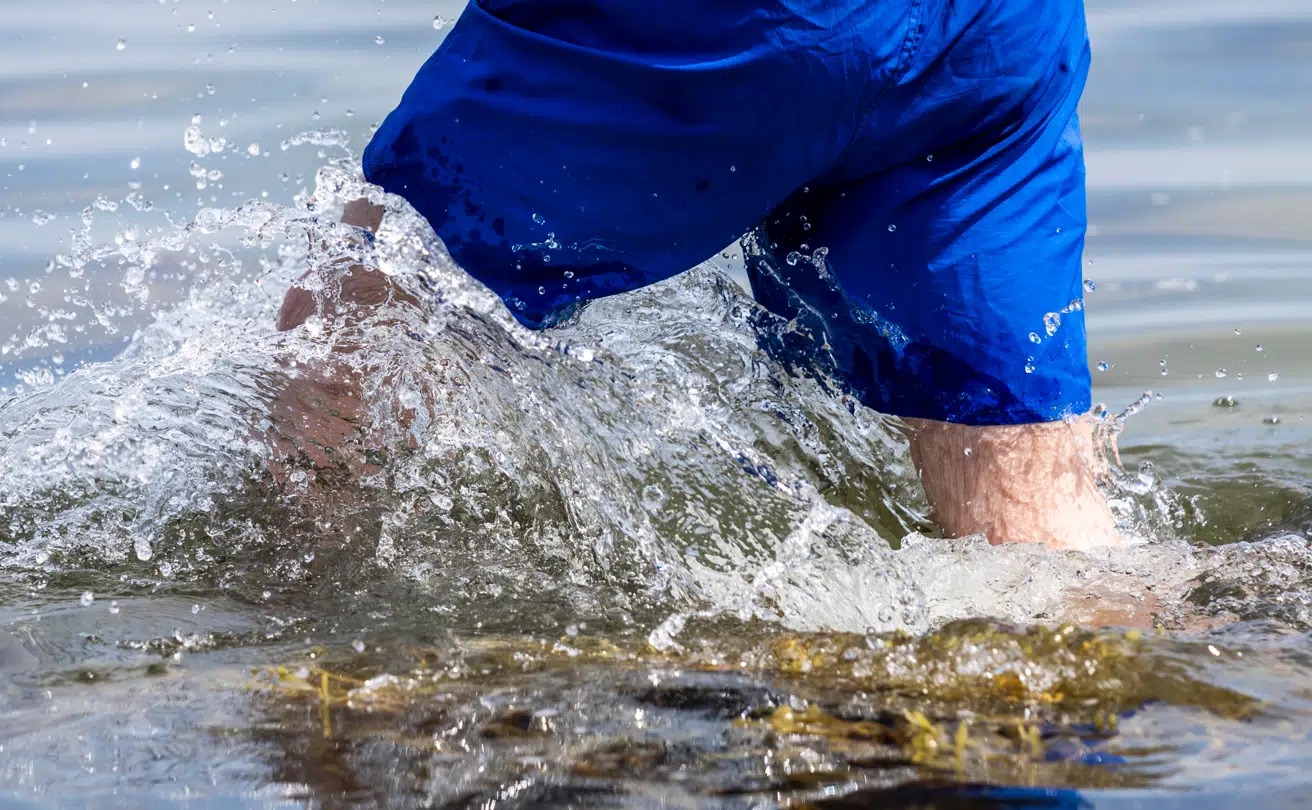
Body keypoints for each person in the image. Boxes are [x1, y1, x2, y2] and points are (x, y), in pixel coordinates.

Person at [278, 0, 1122, 550]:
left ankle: (298, 660)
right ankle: (1113, 715)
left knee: (380, 286)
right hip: (992, 36)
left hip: (734, 22)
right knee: (1031, 531)